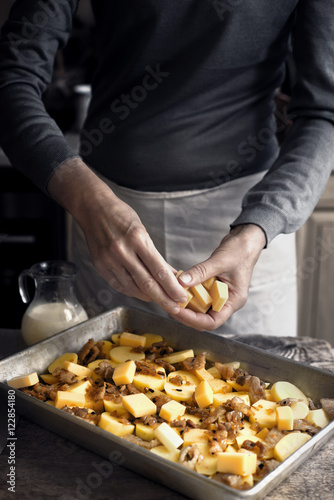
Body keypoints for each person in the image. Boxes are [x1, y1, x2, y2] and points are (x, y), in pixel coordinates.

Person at [0, 1, 333, 336]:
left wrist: (259, 227)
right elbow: (11, 79)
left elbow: (325, 112)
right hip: (104, 218)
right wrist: (88, 201)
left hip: (245, 232)